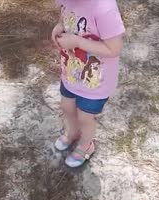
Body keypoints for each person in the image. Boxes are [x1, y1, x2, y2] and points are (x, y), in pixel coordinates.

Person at [51, 0, 125, 167]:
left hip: (95, 80)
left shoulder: (105, 8)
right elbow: (66, 15)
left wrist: (78, 42)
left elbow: (114, 49)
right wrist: (59, 26)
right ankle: (72, 132)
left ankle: (86, 146)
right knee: (67, 107)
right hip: (71, 73)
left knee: (85, 117)